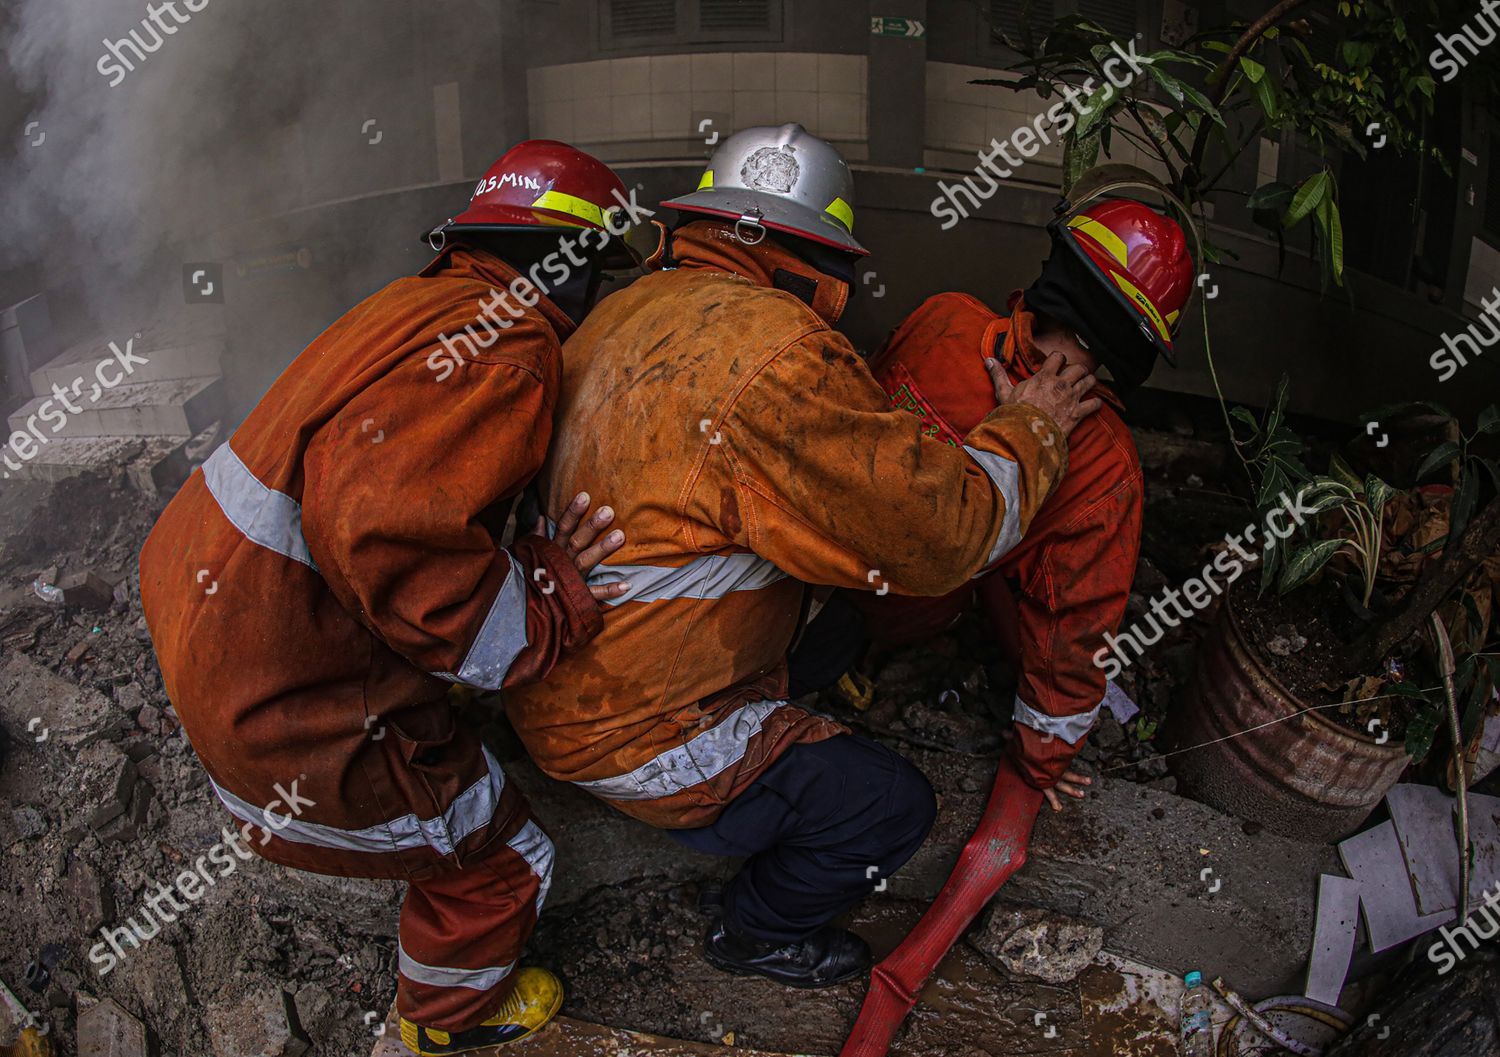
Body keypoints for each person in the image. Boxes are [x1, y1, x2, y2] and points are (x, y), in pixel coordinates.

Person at [501, 124, 1103, 989]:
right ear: (816, 259)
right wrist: (1032, 424)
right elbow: (943, 538)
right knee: (892, 808)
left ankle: (753, 732)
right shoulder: (777, 357)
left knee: (839, 629)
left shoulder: (629, 306)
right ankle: (754, 931)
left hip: (553, 658)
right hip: (630, 727)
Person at [139, 140, 646, 1056]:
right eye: (604, 275)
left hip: (210, 633)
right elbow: (380, 525)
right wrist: (546, 600)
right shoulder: (513, 344)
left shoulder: (421, 303)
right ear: (575, 269)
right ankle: (442, 1020)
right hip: (281, 713)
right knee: (505, 861)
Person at [854, 188, 1195, 811]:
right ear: (1137, 340)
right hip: (893, 616)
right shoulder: (1102, 464)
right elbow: (1074, 629)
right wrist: (1043, 760)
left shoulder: (944, 318)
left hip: (797, 574)